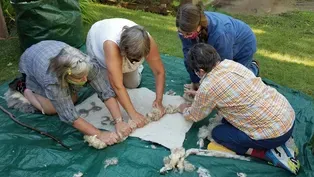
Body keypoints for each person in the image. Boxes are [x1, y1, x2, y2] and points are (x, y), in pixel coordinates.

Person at [178, 43, 300, 174]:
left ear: (200, 71)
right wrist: (201, 96)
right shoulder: (230, 64)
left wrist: (184, 108)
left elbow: (195, 116)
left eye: (196, 72)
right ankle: (279, 143)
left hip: (274, 136)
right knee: (226, 120)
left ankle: (266, 153)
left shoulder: (207, 87)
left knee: (218, 133)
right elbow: (231, 91)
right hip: (287, 117)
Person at [8, 40, 132, 145]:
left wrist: (119, 121)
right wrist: (99, 133)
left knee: (72, 98)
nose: (85, 80)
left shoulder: (86, 64)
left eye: (85, 76)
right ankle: (24, 87)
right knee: (51, 109)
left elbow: (105, 91)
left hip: (49, 47)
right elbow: (69, 116)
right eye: (80, 78)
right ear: (65, 77)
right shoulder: (52, 82)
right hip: (31, 59)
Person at [86, 18, 166, 128]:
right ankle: (112, 69)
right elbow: (117, 86)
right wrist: (133, 114)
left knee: (133, 84)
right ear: (123, 50)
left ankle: (122, 69)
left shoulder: (147, 41)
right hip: (99, 44)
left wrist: (159, 100)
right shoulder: (111, 44)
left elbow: (159, 71)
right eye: (132, 59)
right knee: (109, 89)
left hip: (124, 51)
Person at [176, 2, 259, 90]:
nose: (185, 36)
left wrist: (207, 88)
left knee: (236, 83)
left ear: (199, 26)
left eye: (188, 34)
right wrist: (196, 82)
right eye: (181, 33)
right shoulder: (186, 30)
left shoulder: (219, 34)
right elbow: (189, 57)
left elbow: (224, 66)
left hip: (244, 42)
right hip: (227, 38)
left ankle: (254, 67)